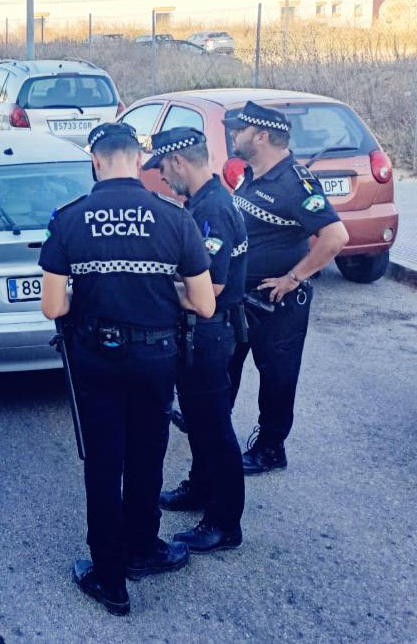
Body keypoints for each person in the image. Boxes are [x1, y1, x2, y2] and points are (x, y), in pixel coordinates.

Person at [39, 122, 216, 616]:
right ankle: (143, 546)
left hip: (96, 359)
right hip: (157, 358)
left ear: (95, 160)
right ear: (138, 159)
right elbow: (203, 304)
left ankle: (110, 577)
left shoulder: (70, 219)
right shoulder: (174, 218)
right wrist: (160, 290)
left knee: (103, 462)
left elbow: (53, 307)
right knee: (146, 453)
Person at [223, 102, 349, 474]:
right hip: (240, 297)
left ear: (260, 136)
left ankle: (270, 449)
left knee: (277, 377)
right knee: (225, 364)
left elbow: (335, 237)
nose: (233, 134)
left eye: (239, 129)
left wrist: (294, 277)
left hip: (276, 303)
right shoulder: (252, 174)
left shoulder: (295, 182)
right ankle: (213, 426)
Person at [148, 127, 247, 553]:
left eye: (163, 170)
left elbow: (213, 288)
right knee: (201, 422)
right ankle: (200, 488)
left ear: (177, 162)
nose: (162, 180)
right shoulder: (203, 202)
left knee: (214, 428)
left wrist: (153, 287)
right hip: (203, 333)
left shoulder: (213, 210)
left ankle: (223, 523)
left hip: (210, 333)